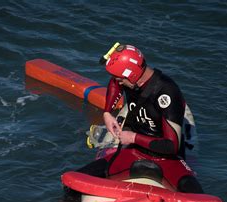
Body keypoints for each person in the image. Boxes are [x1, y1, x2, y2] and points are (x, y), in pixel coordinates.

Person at [77, 43, 203, 194]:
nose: (118, 82)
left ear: (132, 75)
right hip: (134, 152)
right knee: (74, 181)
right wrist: (107, 113)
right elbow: (115, 83)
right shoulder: (130, 80)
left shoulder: (167, 92)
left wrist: (132, 137)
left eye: (121, 79)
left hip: (167, 160)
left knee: (200, 201)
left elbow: (170, 146)